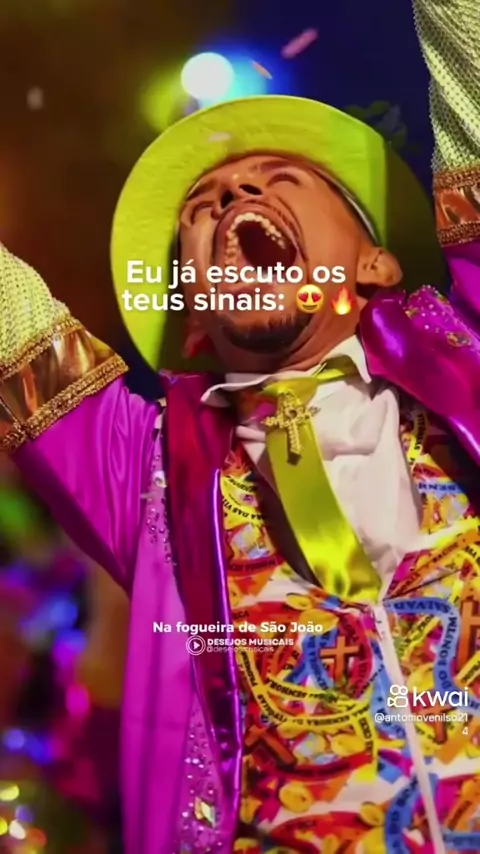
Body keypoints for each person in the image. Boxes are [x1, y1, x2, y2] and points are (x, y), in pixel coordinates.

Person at [1, 0, 479, 851]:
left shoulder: (467, 354)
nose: (233, 193)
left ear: (376, 263)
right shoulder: (141, 466)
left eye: (281, 179)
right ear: (194, 321)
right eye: (203, 207)